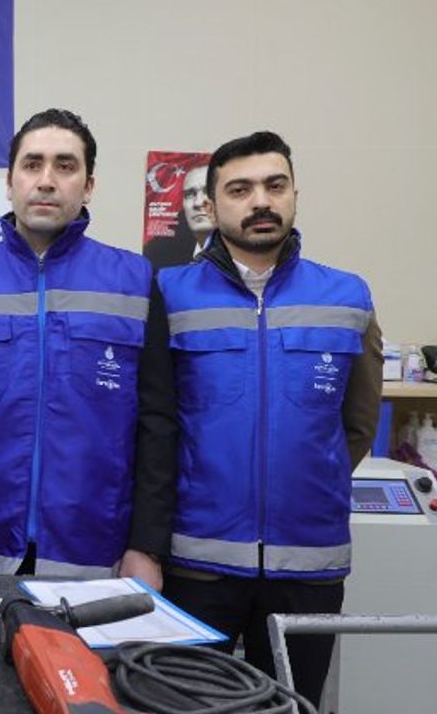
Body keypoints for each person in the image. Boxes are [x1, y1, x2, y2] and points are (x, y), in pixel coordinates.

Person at [158, 131, 382, 707]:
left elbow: (357, 425)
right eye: (240, 189)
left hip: (308, 564)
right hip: (196, 564)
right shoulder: (168, 295)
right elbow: (153, 421)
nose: (260, 200)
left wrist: (307, 479)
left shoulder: (347, 297)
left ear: (294, 195)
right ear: (212, 206)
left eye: (274, 185)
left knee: (292, 706)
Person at [0, 109, 177, 585]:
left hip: (96, 553)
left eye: (65, 166)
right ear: (9, 182)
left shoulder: (134, 280)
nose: (47, 180)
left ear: (88, 186)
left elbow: (158, 424)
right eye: (32, 164)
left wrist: (146, 546)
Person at [144, 163, 212, 270]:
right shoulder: (159, 256)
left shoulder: (240, 255)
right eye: (190, 194)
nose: (198, 203)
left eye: (208, 192)